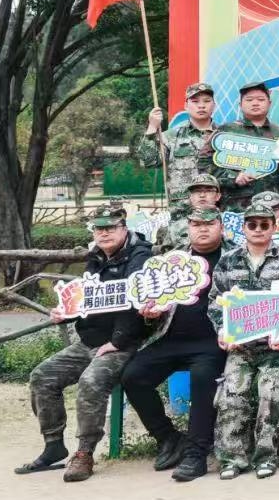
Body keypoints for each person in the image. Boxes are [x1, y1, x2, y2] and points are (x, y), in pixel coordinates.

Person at [19, 205, 151, 481]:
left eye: (110, 227)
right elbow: (88, 298)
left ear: (123, 228)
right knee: (42, 376)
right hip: (89, 341)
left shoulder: (140, 257)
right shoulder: (95, 256)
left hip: (123, 343)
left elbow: (135, 303)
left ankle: (84, 453)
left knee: (91, 381)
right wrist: (66, 312)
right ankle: (53, 445)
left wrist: (118, 341)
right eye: (99, 228)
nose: (104, 233)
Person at [120, 208, 231, 482]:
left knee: (203, 379)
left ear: (221, 227)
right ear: (188, 228)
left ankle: (196, 453)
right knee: (133, 376)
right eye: (196, 224)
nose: (202, 228)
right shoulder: (171, 261)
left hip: (213, 341)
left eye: (209, 223)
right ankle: (169, 438)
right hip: (169, 338)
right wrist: (150, 312)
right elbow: (151, 299)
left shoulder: (234, 258)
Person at [210, 206, 279, 479]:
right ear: (244, 228)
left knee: (269, 396)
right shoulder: (228, 260)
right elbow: (216, 301)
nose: (259, 230)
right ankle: (232, 458)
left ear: (274, 227)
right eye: (252, 225)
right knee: (232, 396)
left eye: (265, 224)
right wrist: (222, 330)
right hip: (241, 346)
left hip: (275, 346)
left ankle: (266, 456)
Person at [205, 81, 279, 211]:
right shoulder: (226, 132)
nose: (255, 103)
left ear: (269, 103)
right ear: (240, 105)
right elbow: (204, 162)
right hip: (234, 208)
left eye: (260, 99)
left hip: (272, 207)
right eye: (249, 100)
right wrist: (233, 177)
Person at [141, 82, 216, 204]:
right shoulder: (171, 137)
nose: (201, 106)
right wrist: (152, 126)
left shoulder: (223, 137)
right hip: (181, 209)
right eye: (195, 101)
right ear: (186, 105)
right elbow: (148, 162)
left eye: (207, 101)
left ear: (214, 106)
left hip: (216, 210)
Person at [155, 173, 223, 251]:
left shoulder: (230, 223)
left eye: (208, 191)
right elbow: (165, 254)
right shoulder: (175, 227)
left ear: (218, 196)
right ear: (190, 196)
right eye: (197, 191)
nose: (202, 195)